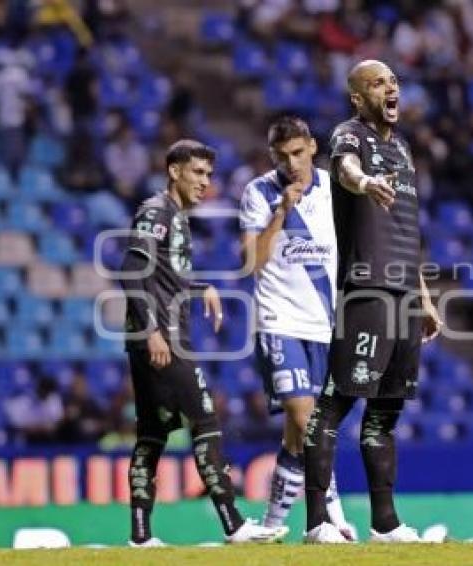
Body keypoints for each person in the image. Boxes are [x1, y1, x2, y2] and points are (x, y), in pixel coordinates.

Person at [118, 139, 288, 547]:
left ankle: (140, 536)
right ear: (174, 171)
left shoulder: (176, 216)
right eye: (197, 172)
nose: (205, 182)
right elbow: (130, 271)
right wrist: (153, 331)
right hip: (163, 338)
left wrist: (200, 286)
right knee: (205, 420)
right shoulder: (157, 210)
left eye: (209, 174)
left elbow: (163, 274)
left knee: (152, 434)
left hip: (154, 337)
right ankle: (234, 525)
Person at [303, 60, 442, 544]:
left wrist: (423, 295)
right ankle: (317, 522)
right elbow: (344, 169)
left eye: (394, 82)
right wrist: (363, 183)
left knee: (386, 411)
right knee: (336, 404)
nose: (391, 89)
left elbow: (410, 229)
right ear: (358, 98)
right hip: (368, 288)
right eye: (378, 83)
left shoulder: (403, 148)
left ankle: (385, 524)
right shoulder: (350, 134)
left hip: (405, 291)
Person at [239, 116, 356, 539]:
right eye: (282, 155)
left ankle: (272, 524)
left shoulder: (335, 191)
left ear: (311, 147)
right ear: (272, 155)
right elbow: (251, 261)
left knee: (296, 435)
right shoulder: (258, 192)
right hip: (279, 321)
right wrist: (282, 211)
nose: (291, 163)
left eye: (298, 153)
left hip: (324, 326)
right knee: (309, 422)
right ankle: (332, 517)